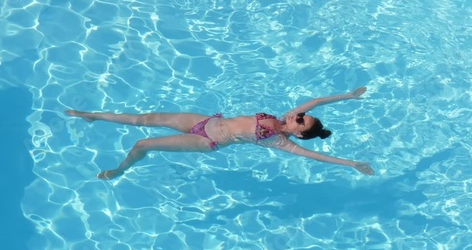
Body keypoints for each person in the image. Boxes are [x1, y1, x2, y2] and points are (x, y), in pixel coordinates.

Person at [65, 87, 374, 179]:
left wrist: (351, 164)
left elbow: (314, 155)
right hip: (204, 120)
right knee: (144, 119)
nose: (300, 114)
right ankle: (90, 116)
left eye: (302, 120)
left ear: (299, 133)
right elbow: (318, 100)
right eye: (303, 114)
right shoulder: (281, 119)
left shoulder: (279, 141)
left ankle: (119, 171)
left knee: (143, 143)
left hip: (206, 139)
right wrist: (348, 97)